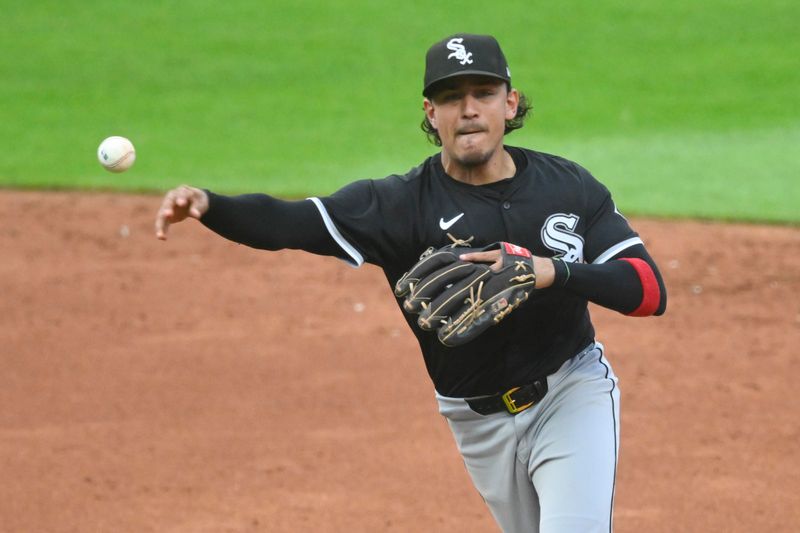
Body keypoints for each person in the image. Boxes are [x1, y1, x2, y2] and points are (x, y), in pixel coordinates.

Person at [154, 33, 666, 533]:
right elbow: (289, 222)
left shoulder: (569, 186)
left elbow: (647, 290)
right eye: (451, 97)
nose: (468, 110)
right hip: (478, 424)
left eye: (483, 94)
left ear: (509, 104)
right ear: (430, 113)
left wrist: (552, 270)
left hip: (571, 393)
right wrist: (209, 205)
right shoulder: (399, 206)